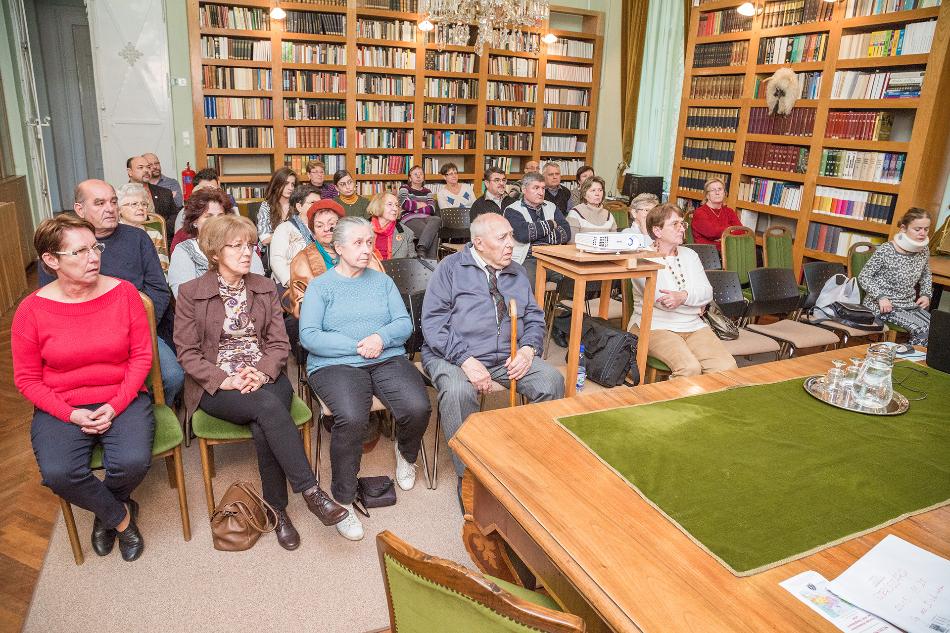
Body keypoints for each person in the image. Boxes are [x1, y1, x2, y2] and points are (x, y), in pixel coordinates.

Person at [174, 214, 346, 550]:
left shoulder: (264, 286)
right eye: (236, 246)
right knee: (268, 409)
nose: (246, 252)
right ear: (214, 253)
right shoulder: (191, 293)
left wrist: (262, 371)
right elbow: (187, 353)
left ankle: (277, 511)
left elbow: (280, 343)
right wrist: (225, 379)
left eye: (249, 245)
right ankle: (311, 493)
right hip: (217, 383)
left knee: (263, 422)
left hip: (265, 372)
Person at [15, 214, 154, 561]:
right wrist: (71, 414)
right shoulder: (31, 310)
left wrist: (117, 404)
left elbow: (141, 357)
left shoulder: (124, 293)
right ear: (51, 260)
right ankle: (120, 518)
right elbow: (27, 379)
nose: (94, 257)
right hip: (62, 402)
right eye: (80, 252)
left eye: (95, 248)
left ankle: (103, 511)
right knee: (59, 473)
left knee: (133, 462)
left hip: (121, 395)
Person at [300, 217, 431, 541]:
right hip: (335, 363)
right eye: (358, 243)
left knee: (418, 406)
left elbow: (403, 324)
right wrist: (357, 346)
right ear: (338, 248)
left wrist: (379, 339)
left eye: (369, 242)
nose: (366, 249)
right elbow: (309, 336)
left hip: (384, 356)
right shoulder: (321, 286)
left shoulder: (382, 282)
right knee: (352, 417)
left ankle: (406, 454)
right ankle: (343, 499)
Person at [421, 213, 565, 502]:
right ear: (479, 243)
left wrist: (528, 349)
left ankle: (530, 459)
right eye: (502, 238)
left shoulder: (517, 272)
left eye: (511, 235)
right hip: (452, 354)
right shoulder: (450, 269)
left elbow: (535, 318)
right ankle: (468, 475)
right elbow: (434, 324)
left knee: (551, 381)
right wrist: (465, 359)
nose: (511, 243)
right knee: (458, 391)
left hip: (505, 355)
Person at [39, 179, 183, 409]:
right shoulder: (61, 248)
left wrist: (136, 328)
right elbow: (51, 303)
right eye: (99, 203)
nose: (110, 208)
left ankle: (152, 415)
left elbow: (158, 290)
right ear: (79, 209)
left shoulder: (138, 238)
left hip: (137, 328)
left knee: (173, 376)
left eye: (113, 202)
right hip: (81, 337)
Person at [627, 203, 737, 378]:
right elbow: (663, 302)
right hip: (654, 327)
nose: (682, 229)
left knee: (727, 367)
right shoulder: (642, 257)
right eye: (675, 224)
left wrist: (684, 297)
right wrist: (695, 304)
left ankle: (702, 396)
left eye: (682, 223)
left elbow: (707, 292)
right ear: (657, 231)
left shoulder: (690, 255)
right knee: (689, 368)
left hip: (693, 325)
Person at [285, 200, 384, 318]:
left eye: (332, 223)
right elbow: (299, 303)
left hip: (366, 314)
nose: (327, 229)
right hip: (325, 319)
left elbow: (379, 286)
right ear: (313, 233)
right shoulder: (302, 259)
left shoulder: (361, 250)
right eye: (319, 226)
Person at [168, 187, 265, 297]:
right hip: (201, 307)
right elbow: (184, 296)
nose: (216, 222)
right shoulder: (184, 250)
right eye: (208, 217)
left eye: (221, 216)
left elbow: (260, 286)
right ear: (195, 221)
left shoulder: (243, 246)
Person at [858, 207, 933, 346]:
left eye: (926, 229)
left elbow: (926, 274)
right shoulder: (887, 249)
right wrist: (881, 297)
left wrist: (925, 294)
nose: (922, 233)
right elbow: (864, 276)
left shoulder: (924, 250)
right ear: (903, 228)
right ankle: (908, 358)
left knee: (937, 328)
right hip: (883, 306)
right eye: (917, 229)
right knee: (922, 330)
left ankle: (919, 358)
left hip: (908, 304)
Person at [502, 171, 570, 283]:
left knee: (570, 277)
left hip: (552, 258)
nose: (541, 192)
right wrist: (551, 224)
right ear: (524, 189)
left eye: (543, 188)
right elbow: (523, 235)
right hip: (527, 259)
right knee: (529, 281)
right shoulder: (512, 210)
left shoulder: (551, 206)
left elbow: (566, 233)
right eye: (536, 188)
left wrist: (535, 236)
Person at [268, 184, 321, 288]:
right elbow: (277, 260)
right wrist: (291, 283)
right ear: (299, 206)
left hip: (319, 283)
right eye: (313, 203)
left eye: (319, 203)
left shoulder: (323, 229)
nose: (318, 206)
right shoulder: (284, 228)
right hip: (291, 284)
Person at [116, 182, 169, 273]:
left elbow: (163, 268)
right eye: (134, 204)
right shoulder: (113, 233)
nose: (141, 208)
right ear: (119, 209)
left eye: (144, 204)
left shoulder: (154, 234)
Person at [128, 155, 177, 243]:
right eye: (141, 167)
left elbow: (174, 216)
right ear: (130, 172)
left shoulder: (164, 193)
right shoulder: (121, 195)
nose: (146, 170)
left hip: (163, 242)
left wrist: (159, 230)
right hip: (133, 242)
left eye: (148, 167)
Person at [398, 165, 442, 259]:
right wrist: (421, 205)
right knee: (433, 234)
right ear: (410, 178)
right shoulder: (404, 188)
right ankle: (431, 263)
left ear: (423, 177)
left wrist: (414, 207)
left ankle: (422, 249)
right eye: (415, 174)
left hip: (426, 217)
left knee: (437, 219)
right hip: (409, 218)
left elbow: (432, 209)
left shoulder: (428, 191)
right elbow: (404, 204)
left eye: (421, 174)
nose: (418, 176)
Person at [174, 168, 238, 232]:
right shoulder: (184, 213)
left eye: (214, 189)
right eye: (204, 190)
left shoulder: (227, 206)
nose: (210, 193)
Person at [690, 178, 740, 250]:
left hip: (727, 250)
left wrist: (722, 237)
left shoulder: (729, 211)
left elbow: (741, 230)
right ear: (707, 195)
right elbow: (712, 232)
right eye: (713, 190)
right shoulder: (700, 213)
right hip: (708, 252)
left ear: (724, 193)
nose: (717, 192)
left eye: (720, 189)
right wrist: (730, 230)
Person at [368, 191, 416, 261]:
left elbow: (413, 262)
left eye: (396, 205)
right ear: (378, 206)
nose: (395, 209)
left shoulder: (407, 233)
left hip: (396, 268)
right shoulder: (361, 229)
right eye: (390, 204)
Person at [257, 167, 297, 247]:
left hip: (295, 250)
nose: (290, 188)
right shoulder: (266, 206)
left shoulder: (298, 206)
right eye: (286, 183)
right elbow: (264, 239)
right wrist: (290, 235)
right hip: (271, 250)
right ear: (276, 184)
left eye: (292, 184)